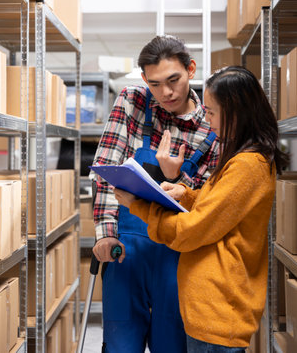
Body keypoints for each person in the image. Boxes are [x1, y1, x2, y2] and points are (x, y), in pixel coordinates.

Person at [114, 65, 289, 353]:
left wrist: (140, 206)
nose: (207, 121)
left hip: (218, 314)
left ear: (236, 112)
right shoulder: (241, 156)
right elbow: (223, 209)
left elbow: (191, 231)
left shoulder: (248, 165)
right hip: (210, 311)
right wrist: (185, 194)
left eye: (211, 112)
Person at [90, 35, 219, 353]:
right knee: (121, 344)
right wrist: (105, 235)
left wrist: (178, 179)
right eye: (155, 83)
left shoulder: (213, 128)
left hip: (178, 256)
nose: (166, 93)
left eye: (173, 80)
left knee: (172, 345)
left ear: (190, 69)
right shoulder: (132, 101)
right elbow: (107, 167)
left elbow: (208, 201)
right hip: (126, 251)